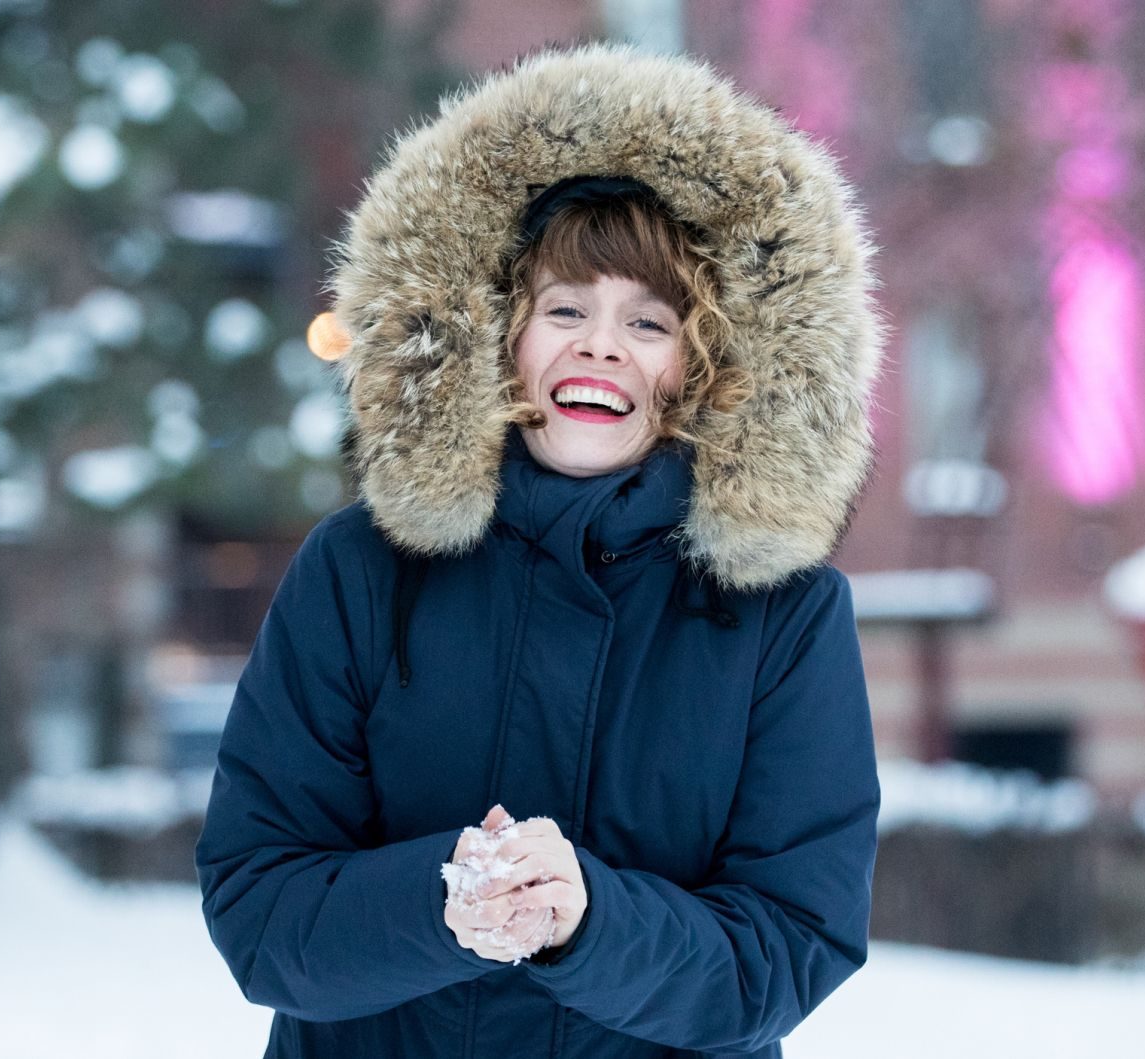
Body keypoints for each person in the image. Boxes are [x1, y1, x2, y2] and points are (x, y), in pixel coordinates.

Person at [196, 43, 883, 1059]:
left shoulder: (780, 614)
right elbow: (262, 910)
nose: (598, 346)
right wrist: (446, 907)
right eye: (563, 309)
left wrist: (589, 923)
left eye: (648, 321)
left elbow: (786, 947)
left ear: (705, 368)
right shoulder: (358, 573)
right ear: (492, 334)